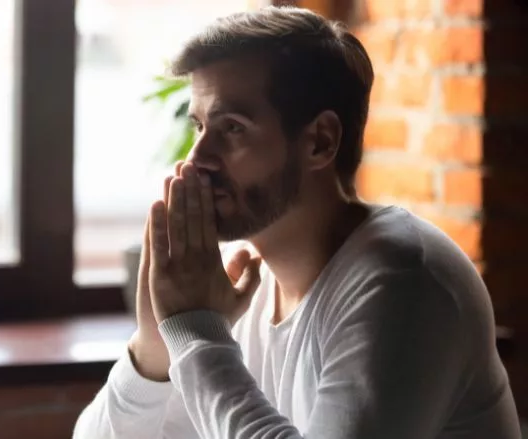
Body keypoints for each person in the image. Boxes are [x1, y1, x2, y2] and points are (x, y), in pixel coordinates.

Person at [73, 6, 521, 439]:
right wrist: (154, 347)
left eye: (232, 128)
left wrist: (195, 334)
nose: (197, 159)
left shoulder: (405, 281)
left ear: (319, 142)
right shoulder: (242, 278)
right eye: (199, 127)